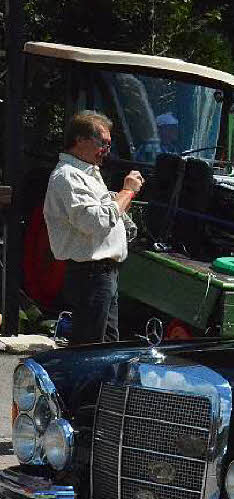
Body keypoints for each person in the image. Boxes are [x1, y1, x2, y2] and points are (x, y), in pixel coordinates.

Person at [43, 110, 145, 345]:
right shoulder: (68, 177)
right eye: (103, 143)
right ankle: (82, 384)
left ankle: (100, 384)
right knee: (89, 348)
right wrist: (127, 191)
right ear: (80, 140)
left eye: (109, 144)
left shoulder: (87, 174)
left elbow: (106, 216)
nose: (107, 150)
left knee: (106, 347)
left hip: (103, 273)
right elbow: (95, 222)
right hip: (90, 274)